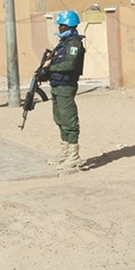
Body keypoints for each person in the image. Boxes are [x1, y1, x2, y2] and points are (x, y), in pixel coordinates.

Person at [38, 10, 86, 170]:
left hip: (66, 86)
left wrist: (50, 70)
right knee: (59, 119)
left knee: (69, 120)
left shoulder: (74, 43)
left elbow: (69, 64)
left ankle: (74, 155)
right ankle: (65, 151)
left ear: (68, 26)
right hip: (57, 86)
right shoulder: (63, 44)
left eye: (61, 25)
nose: (59, 28)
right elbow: (56, 62)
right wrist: (44, 71)